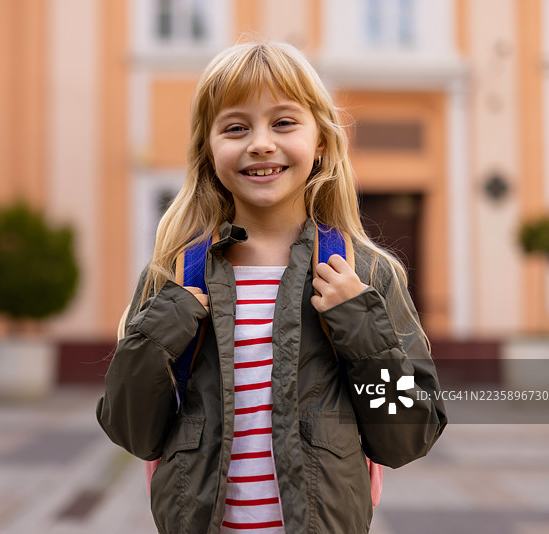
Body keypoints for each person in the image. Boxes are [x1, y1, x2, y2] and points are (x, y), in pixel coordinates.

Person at [96, 41, 447, 534]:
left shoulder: (365, 275)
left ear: (321, 141)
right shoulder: (172, 275)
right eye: (236, 128)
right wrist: (164, 328)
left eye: (283, 122)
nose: (260, 143)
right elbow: (132, 430)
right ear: (208, 150)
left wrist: (360, 328)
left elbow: (407, 436)